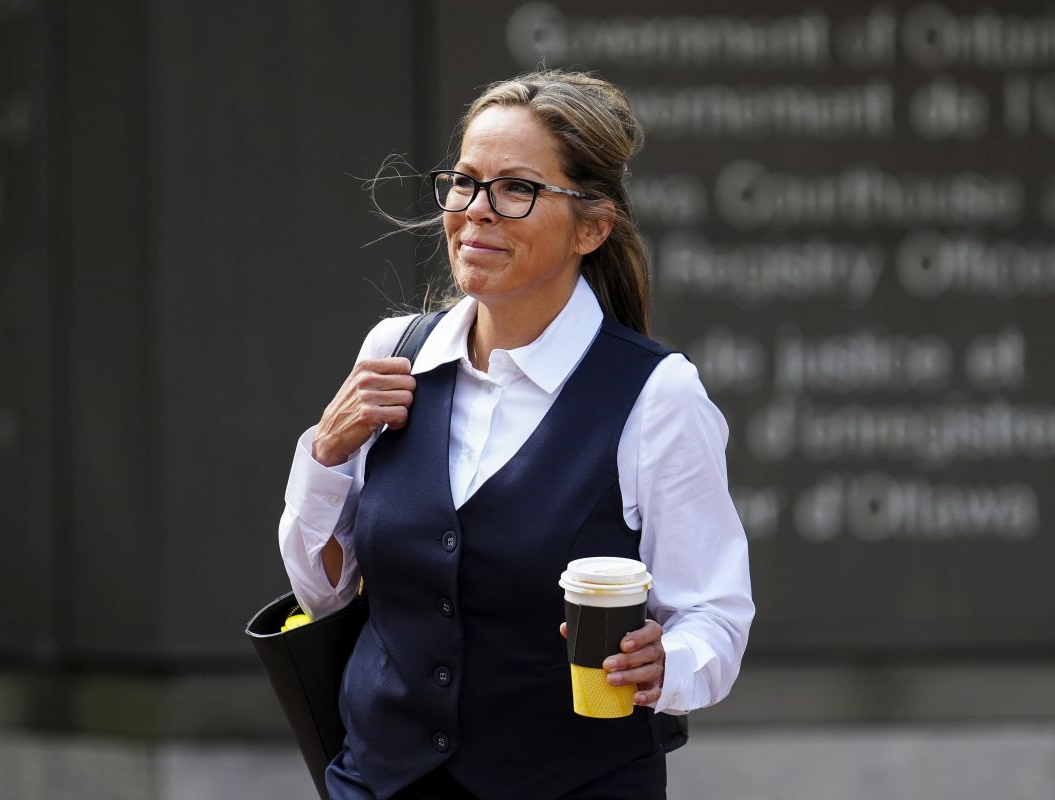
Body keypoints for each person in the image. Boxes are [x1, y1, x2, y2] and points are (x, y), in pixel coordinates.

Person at [278, 69, 754, 800]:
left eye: (516, 190)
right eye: (465, 182)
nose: (477, 211)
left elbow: (713, 616)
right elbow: (324, 596)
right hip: (379, 782)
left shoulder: (657, 396)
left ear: (592, 227)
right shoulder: (395, 353)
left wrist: (668, 664)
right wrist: (325, 456)